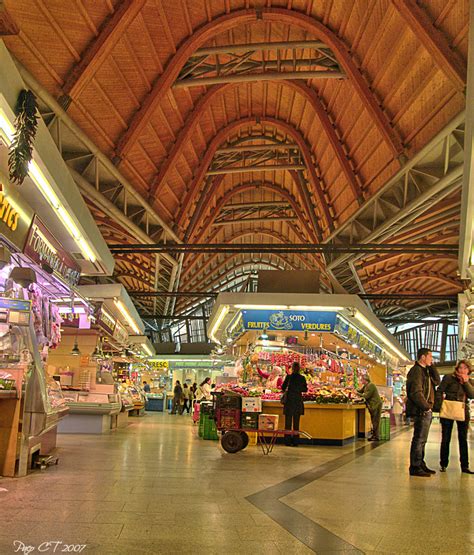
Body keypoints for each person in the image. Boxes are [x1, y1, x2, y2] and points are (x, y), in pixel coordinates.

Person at [434, 360, 474, 474]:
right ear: (457, 369)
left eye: (465, 368)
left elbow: (472, 395)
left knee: (463, 439)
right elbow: (440, 390)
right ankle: (443, 464)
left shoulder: (470, 381)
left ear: (468, 370)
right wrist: (439, 406)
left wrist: (465, 382)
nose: (462, 370)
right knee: (446, 437)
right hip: (448, 408)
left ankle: (465, 466)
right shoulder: (448, 378)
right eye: (460, 368)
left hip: (462, 410)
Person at [406, 348, 440, 477]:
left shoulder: (425, 371)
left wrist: (432, 367)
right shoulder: (416, 372)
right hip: (421, 410)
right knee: (419, 439)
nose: (432, 359)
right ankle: (415, 466)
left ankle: (420, 463)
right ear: (423, 357)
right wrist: (426, 407)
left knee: (422, 440)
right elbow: (415, 392)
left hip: (425, 410)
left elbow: (437, 381)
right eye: (430, 356)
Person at [281, 361, 307, 446]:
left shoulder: (289, 377)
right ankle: (296, 441)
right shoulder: (302, 378)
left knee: (288, 423)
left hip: (289, 401)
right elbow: (305, 389)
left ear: (292, 368)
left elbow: (283, 387)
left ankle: (287, 441)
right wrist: (298, 389)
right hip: (298, 401)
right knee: (296, 423)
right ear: (299, 368)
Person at [357, 375, 383, 441]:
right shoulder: (366, 386)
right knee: (374, 420)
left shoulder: (371, 385)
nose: (361, 381)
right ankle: (375, 435)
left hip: (375, 404)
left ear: (365, 380)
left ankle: (376, 436)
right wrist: (353, 390)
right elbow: (360, 391)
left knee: (375, 421)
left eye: (361, 379)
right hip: (373, 405)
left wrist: (356, 393)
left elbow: (366, 396)